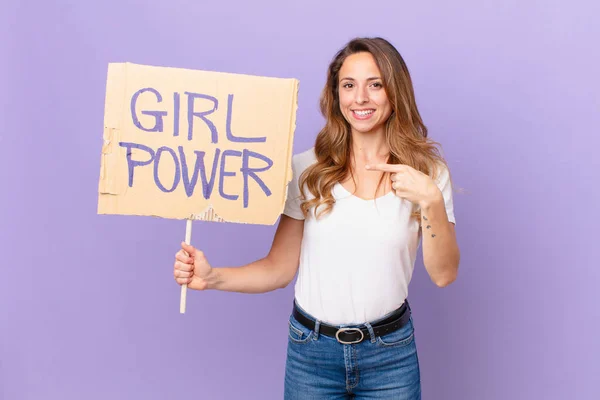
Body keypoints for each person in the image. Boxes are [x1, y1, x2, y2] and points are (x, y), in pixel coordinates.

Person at [173, 37, 460, 399]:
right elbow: (279, 268)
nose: (361, 98)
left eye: (375, 84)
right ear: (335, 95)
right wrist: (213, 277)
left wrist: (431, 200)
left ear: (395, 91)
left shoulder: (427, 174)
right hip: (312, 354)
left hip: (391, 356)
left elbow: (444, 274)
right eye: (348, 85)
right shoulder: (308, 169)